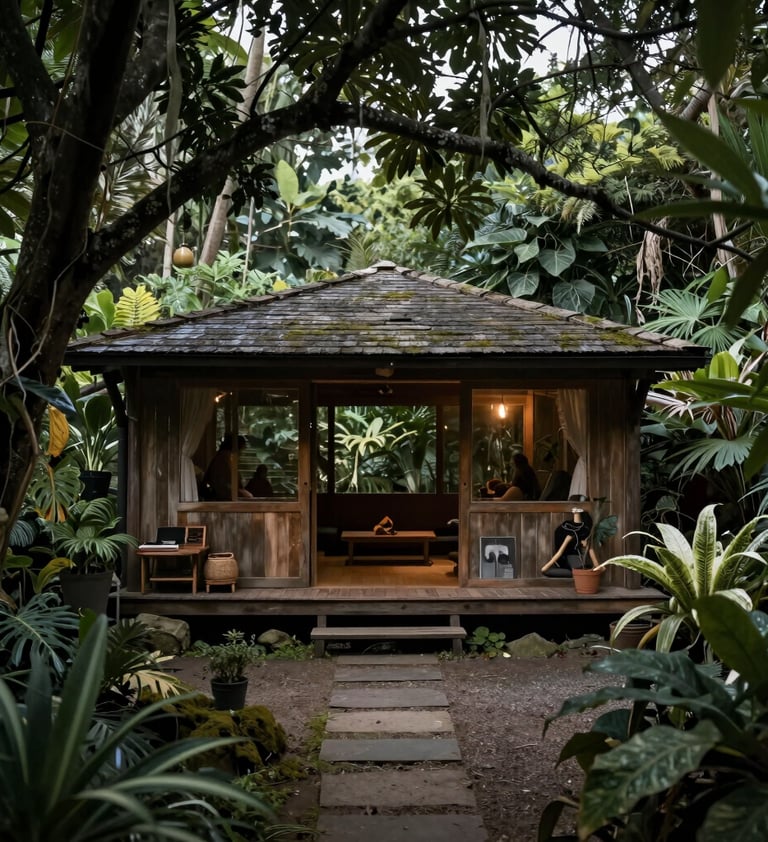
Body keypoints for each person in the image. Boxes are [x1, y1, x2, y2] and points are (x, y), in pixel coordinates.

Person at [541, 508, 597, 575]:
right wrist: (567, 541)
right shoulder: (564, 531)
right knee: (573, 571)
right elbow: (560, 552)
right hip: (570, 560)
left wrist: (598, 566)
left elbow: (596, 563)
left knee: (575, 570)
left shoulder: (586, 538)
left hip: (578, 563)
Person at [202, 434, 253, 500]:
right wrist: (240, 492)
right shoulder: (223, 458)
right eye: (241, 449)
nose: (241, 453)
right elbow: (223, 484)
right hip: (220, 499)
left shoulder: (226, 458)